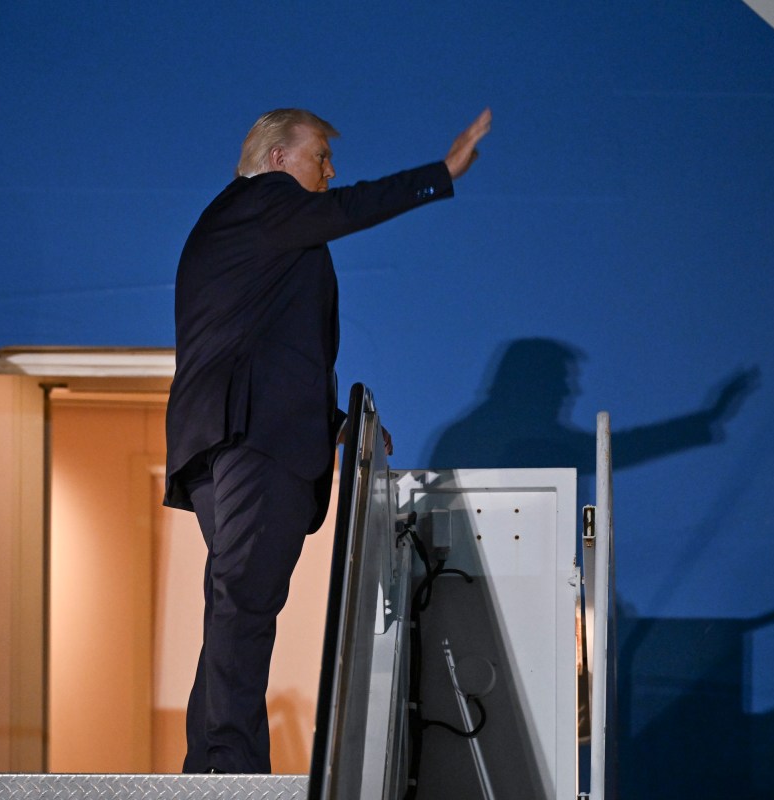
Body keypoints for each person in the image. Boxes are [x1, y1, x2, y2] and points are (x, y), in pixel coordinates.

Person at [164, 106, 492, 774]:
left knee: (237, 599)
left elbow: (268, 345)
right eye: (321, 156)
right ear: (279, 156)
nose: (331, 171)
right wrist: (441, 173)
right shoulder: (264, 202)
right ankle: (227, 767)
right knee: (243, 600)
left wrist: (339, 424)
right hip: (254, 439)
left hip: (225, 436)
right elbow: (353, 206)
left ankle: (212, 761)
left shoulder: (250, 229)